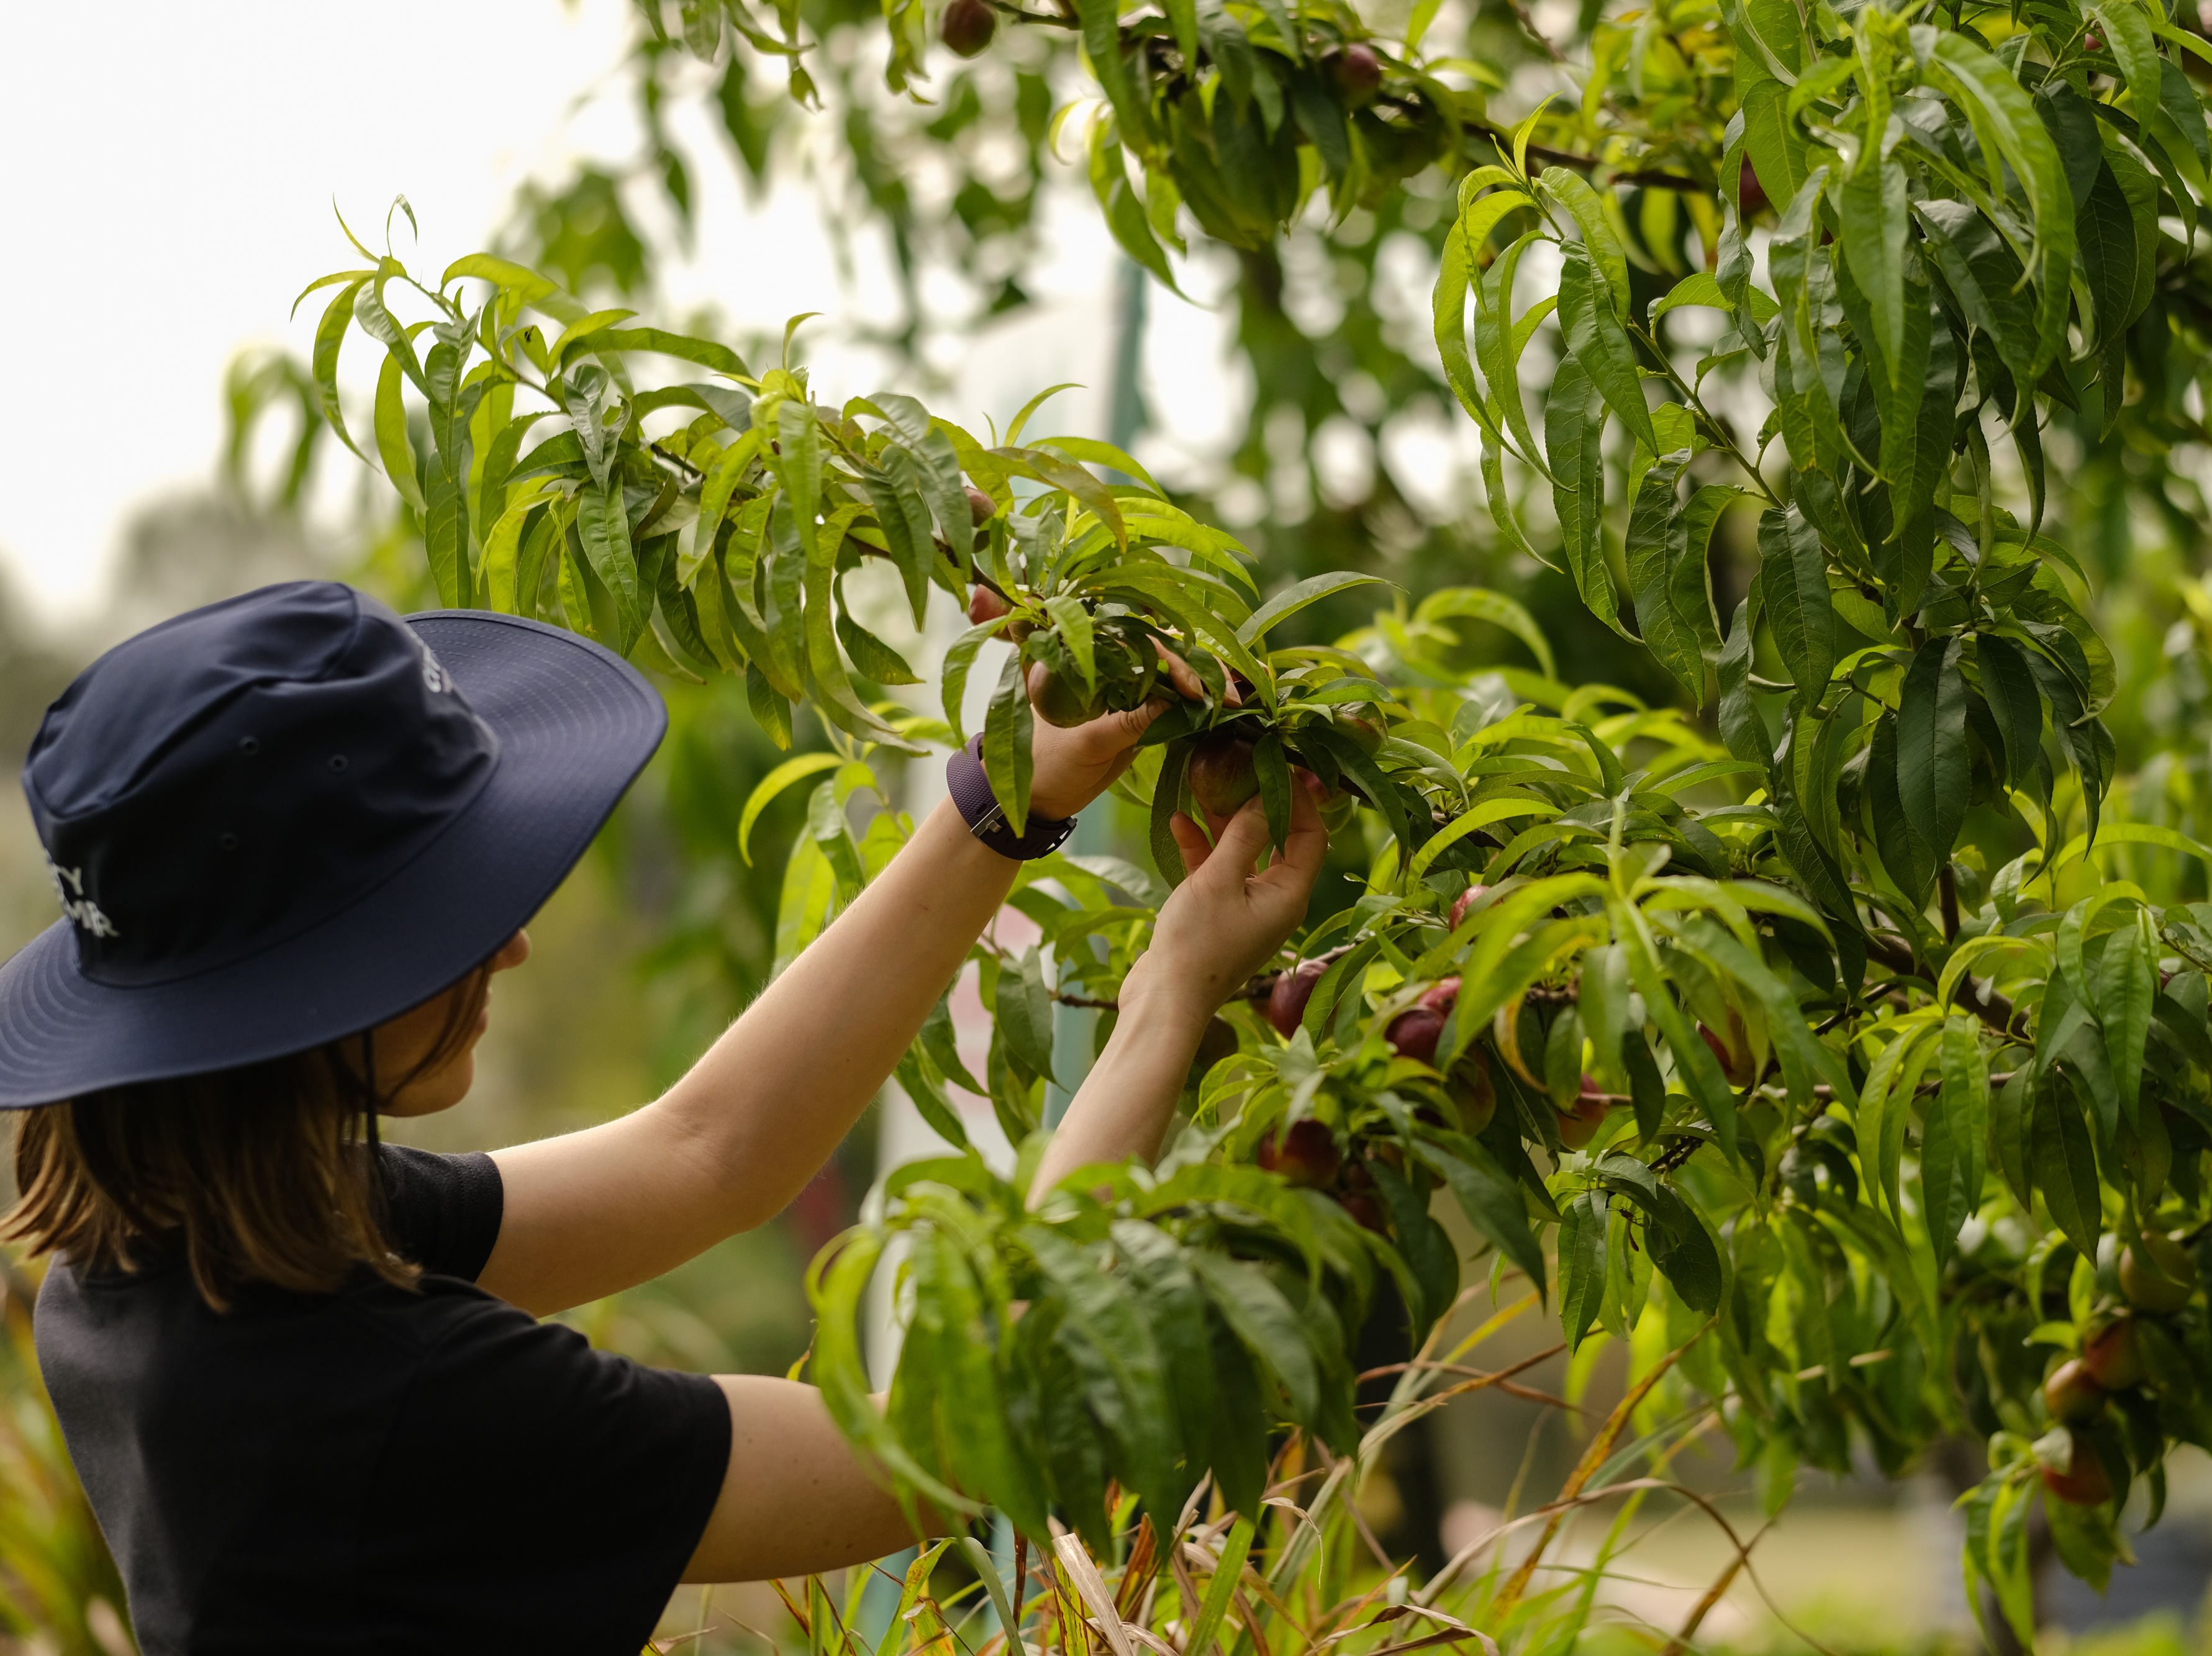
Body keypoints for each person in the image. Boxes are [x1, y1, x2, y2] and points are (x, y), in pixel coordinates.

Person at [0, 581, 1326, 1654]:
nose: (508, 945)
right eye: (442, 918)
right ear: (302, 981)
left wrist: (1004, 802)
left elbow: (707, 1150)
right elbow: (942, 1448)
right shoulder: (370, 1397)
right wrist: (1165, 999)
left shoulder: (150, 1254)